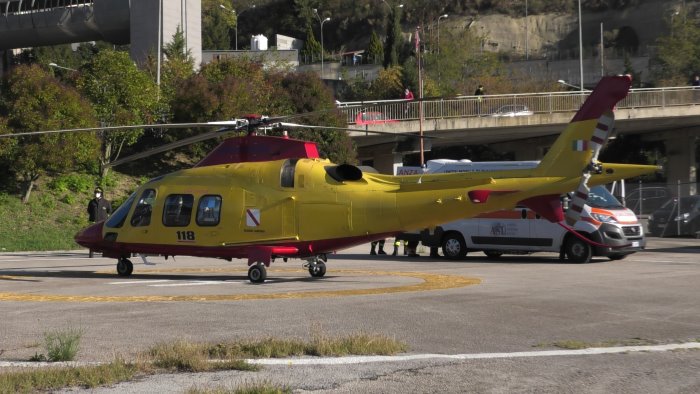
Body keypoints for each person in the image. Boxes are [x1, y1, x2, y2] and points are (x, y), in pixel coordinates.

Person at [87, 187, 112, 257]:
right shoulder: (91, 202)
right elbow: (89, 211)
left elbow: (109, 212)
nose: (96, 194)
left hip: (102, 223)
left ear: (101, 194)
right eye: (95, 193)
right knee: (92, 238)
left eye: (98, 193)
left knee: (103, 237)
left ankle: (104, 251)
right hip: (93, 222)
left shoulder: (106, 202)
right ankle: (91, 252)